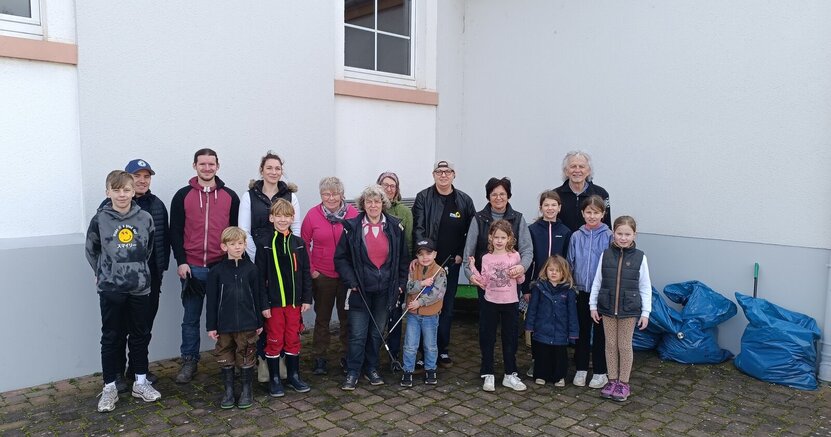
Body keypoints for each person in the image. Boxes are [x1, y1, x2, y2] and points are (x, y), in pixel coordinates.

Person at [86, 170, 160, 413]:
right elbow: (91, 249)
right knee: (111, 336)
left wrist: (136, 270)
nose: (121, 194)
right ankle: (109, 387)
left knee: (140, 334)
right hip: (110, 287)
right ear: (108, 192)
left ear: (133, 192)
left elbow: (148, 249)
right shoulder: (100, 220)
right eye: (116, 190)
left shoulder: (145, 218)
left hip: (139, 286)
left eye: (126, 190)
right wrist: (104, 271)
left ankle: (140, 381)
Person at [98, 159, 170, 392]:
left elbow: (161, 240)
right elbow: (96, 246)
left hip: (148, 279)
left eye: (146, 176)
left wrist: (159, 269)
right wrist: (101, 271)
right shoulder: (106, 208)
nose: (142, 180)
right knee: (117, 330)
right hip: (117, 281)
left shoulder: (157, 205)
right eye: (136, 176)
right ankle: (117, 373)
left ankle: (139, 371)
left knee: (142, 328)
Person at [170, 148, 240, 384]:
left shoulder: (231, 196)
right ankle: (189, 360)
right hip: (192, 268)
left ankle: (228, 360)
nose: (207, 168)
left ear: (217, 166)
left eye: (211, 164)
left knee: (226, 317)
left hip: (222, 267)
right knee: (191, 317)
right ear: (195, 166)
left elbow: (235, 232)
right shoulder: (182, 196)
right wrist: (181, 262)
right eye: (203, 164)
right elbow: (175, 232)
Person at [334, 185, 409, 390]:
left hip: (385, 290)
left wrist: (401, 284)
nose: (373, 205)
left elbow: (403, 260)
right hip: (361, 290)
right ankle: (353, 371)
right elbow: (341, 259)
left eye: (377, 201)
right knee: (358, 333)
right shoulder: (352, 227)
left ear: (383, 204)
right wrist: (352, 281)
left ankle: (372, 368)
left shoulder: (395, 227)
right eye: (369, 201)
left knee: (376, 332)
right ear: (363, 205)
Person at [238, 151, 300, 383]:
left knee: (287, 319)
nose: (273, 172)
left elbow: (297, 228)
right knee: (267, 315)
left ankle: (286, 365)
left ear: (281, 171)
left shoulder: (290, 195)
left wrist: (290, 255)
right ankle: (266, 364)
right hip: (259, 259)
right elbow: (244, 230)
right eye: (269, 168)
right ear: (261, 170)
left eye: (277, 168)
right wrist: (259, 257)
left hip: (285, 261)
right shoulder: (249, 196)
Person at [412, 161, 476, 368]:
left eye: (447, 171)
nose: (443, 175)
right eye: (439, 172)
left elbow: (471, 233)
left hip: (451, 264)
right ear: (433, 174)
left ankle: (442, 350)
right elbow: (418, 228)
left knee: (446, 306)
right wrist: (424, 255)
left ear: (454, 175)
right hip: (428, 264)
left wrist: (461, 254)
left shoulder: (464, 200)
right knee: (424, 304)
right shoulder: (423, 197)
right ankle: (423, 352)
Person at [301, 177, 360, 376]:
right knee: (322, 318)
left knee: (347, 318)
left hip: (345, 276)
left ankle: (347, 355)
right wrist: (312, 270)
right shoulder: (312, 215)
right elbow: (303, 244)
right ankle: (319, 357)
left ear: (342, 194)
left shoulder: (352, 214)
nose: (331, 198)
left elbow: (359, 243)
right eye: (327, 194)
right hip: (323, 275)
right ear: (321, 195)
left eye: (335, 193)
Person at [590, 216, 652, 402]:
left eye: (627, 234)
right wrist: (593, 305)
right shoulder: (605, 254)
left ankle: (623, 383)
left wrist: (645, 312)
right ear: (613, 233)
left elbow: (645, 286)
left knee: (624, 346)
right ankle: (612, 380)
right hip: (607, 309)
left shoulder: (640, 257)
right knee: (610, 345)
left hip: (629, 310)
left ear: (634, 235)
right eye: (619, 233)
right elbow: (597, 282)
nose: (623, 238)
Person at [256, 199, 313, 397]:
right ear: (271, 218)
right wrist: (263, 304)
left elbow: (306, 272)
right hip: (274, 305)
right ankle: (274, 378)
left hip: (294, 303)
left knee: (292, 338)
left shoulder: (298, 243)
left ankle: (294, 376)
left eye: (286, 216)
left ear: (292, 218)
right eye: (278, 216)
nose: (282, 219)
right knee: (274, 339)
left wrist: (306, 298)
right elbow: (259, 278)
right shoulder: (264, 245)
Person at [206, 227, 265, 409]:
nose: (237, 247)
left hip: (247, 323)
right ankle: (229, 392)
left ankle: (247, 390)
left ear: (245, 244)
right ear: (224, 247)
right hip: (224, 325)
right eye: (232, 244)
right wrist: (211, 325)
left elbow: (259, 296)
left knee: (246, 355)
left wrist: (259, 321)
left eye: (240, 243)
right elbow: (212, 301)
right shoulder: (216, 272)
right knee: (225, 356)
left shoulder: (252, 269)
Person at [467, 220, 527, 392]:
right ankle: (488, 373)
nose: (499, 240)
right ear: (490, 238)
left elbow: (521, 280)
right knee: (487, 337)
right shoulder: (486, 258)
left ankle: (510, 373)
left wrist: (519, 272)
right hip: (490, 302)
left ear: (509, 238)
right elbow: (483, 282)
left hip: (511, 302)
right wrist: (472, 268)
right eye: (496, 237)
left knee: (510, 337)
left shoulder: (515, 256)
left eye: (503, 237)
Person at [523, 190, 571, 378]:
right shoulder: (532, 230)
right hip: (538, 287)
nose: (550, 208)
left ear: (559, 208)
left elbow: (568, 261)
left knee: (556, 324)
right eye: (546, 205)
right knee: (538, 323)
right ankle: (537, 361)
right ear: (541, 207)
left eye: (553, 205)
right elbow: (527, 259)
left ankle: (555, 364)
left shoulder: (566, 232)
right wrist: (526, 286)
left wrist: (567, 285)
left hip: (559, 289)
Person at [567, 195, 612, 389]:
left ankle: (601, 371)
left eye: (596, 212)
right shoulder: (576, 236)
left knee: (601, 333)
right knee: (582, 332)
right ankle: (581, 369)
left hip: (602, 293)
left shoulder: (609, 236)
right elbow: (570, 262)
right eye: (588, 212)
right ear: (582, 213)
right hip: (582, 292)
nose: (592, 216)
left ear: (603, 214)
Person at [377, 171, 413, 369]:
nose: (389, 189)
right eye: (385, 185)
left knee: (395, 313)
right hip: (375, 271)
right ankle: (372, 351)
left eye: (393, 186)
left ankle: (394, 354)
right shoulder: (372, 207)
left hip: (396, 270)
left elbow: (408, 243)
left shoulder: (404, 213)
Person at [524, 255, 578, 387]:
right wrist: (529, 326)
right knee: (542, 354)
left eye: (558, 270)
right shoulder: (539, 288)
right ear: (545, 270)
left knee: (559, 356)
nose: (554, 273)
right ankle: (541, 375)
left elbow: (572, 314)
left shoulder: (569, 291)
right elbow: (533, 308)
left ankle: (559, 377)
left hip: (561, 330)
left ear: (564, 273)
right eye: (551, 270)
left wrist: (573, 333)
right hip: (542, 328)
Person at [400, 238, 447, 387]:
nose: (425, 257)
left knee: (430, 344)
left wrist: (420, 302)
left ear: (435, 254)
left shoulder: (440, 272)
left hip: (430, 315)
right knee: (410, 344)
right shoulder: (414, 269)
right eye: (421, 254)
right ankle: (407, 370)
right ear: (417, 256)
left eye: (428, 253)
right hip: (413, 314)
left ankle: (430, 369)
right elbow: (408, 286)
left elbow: (437, 293)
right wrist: (421, 283)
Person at [554, 151, 611, 232]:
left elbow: (607, 225)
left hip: (592, 244)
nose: (577, 170)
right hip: (564, 244)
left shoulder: (601, 194)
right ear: (566, 171)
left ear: (588, 171)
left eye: (581, 166)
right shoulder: (555, 195)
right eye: (573, 166)